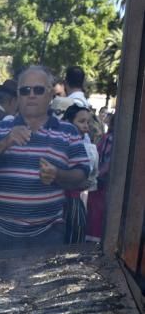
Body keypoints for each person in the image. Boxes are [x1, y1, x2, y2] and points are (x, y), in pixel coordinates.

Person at [0, 65, 90, 252]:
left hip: (46, 237)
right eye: (25, 90)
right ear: (18, 96)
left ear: (51, 94)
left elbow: (82, 177)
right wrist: (5, 143)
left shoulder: (68, 132)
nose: (31, 95)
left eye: (39, 90)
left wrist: (58, 175)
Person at [62, 104, 97, 244]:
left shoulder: (85, 147)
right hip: (61, 204)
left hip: (75, 202)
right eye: (81, 122)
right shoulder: (59, 146)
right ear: (67, 122)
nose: (86, 127)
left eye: (88, 122)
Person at [86, 113, 114, 242]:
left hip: (98, 186)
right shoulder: (111, 139)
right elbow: (107, 165)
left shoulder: (105, 138)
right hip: (106, 187)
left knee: (94, 218)